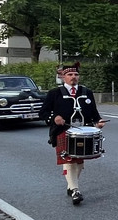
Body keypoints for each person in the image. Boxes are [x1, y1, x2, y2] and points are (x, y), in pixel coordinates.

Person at [39, 62, 105, 205]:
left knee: (79, 162)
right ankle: (75, 190)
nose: (73, 77)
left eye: (75, 74)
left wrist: (98, 121)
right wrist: (54, 118)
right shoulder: (54, 93)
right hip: (64, 131)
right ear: (63, 77)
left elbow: (94, 112)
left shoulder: (86, 92)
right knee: (69, 160)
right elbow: (43, 112)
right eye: (70, 75)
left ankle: (71, 185)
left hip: (84, 131)